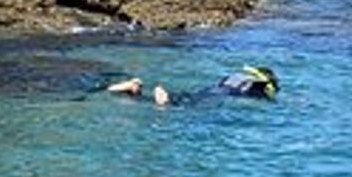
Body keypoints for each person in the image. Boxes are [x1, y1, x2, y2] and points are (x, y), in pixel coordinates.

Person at [104, 66, 279, 106]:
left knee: (186, 97)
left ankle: (134, 89)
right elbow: (266, 98)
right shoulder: (260, 87)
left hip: (211, 90)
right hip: (219, 94)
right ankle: (163, 101)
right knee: (183, 106)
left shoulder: (237, 78)